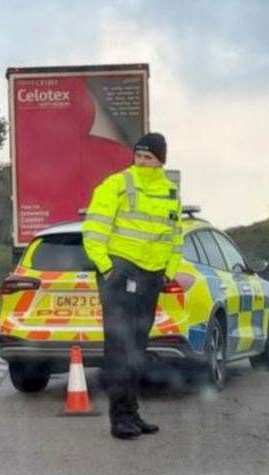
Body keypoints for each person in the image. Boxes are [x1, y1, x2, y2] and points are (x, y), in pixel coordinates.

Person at [82, 132, 183, 440]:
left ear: (160, 160)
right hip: (121, 272)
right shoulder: (117, 184)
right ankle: (120, 418)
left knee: (137, 348)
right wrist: (108, 268)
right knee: (119, 349)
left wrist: (169, 271)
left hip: (152, 275)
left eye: (148, 157)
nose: (142, 162)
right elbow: (94, 229)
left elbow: (174, 235)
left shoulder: (169, 191)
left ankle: (133, 412)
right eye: (138, 156)